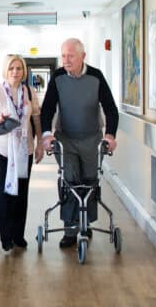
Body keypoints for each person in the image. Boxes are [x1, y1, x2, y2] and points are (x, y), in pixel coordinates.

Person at [39, 38, 119, 248]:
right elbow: (47, 107)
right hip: (65, 138)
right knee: (71, 181)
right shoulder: (57, 77)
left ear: (82, 56)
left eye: (70, 56)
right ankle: (70, 231)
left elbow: (110, 108)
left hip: (92, 138)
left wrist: (110, 135)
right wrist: (47, 134)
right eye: (63, 55)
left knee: (90, 181)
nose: (65, 60)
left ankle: (85, 223)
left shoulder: (96, 76)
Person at [0, 55, 44, 251]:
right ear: (5, 70)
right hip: (1, 150)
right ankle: (6, 237)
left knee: (21, 194)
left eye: (19, 68)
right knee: (5, 192)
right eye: (11, 68)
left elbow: (35, 117)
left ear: (24, 71)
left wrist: (39, 144)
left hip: (23, 149)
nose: (15, 72)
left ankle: (19, 235)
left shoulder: (28, 91)